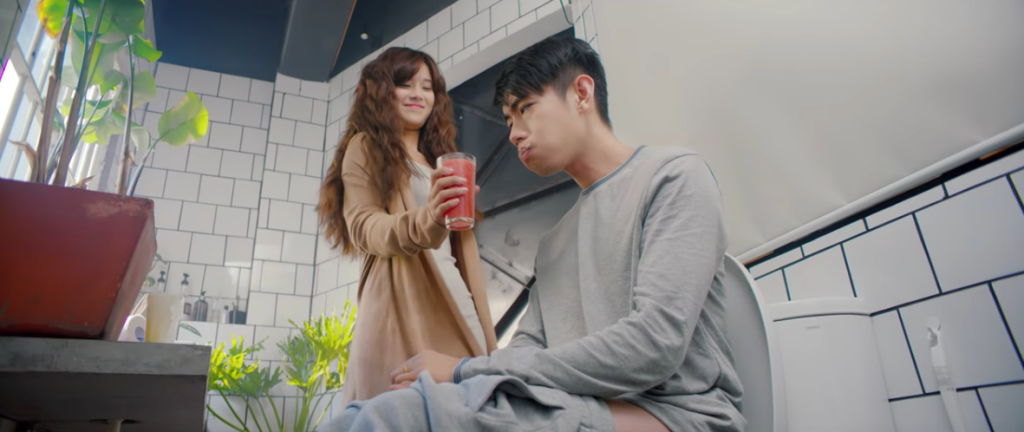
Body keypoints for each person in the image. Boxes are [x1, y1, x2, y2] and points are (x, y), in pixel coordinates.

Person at [323, 37, 744, 432]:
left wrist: (464, 370)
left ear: (581, 93)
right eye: (509, 120)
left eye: (525, 109)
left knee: (412, 415)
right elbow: (528, 347)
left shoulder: (672, 178)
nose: (513, 134)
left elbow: (653, 345)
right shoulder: (554, 242)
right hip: (580, 403)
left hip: (678, 415)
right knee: (392, 409)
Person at [318, 47, 497, 404]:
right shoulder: (365, 146)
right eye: (405, 84)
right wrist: (429, 217)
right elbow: (365, 228)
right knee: (405, 412)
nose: (418, 94)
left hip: (453, 293)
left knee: (470, 404)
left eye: (427, 87)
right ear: (382, 90)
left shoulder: (438, 159)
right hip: (402, 302)